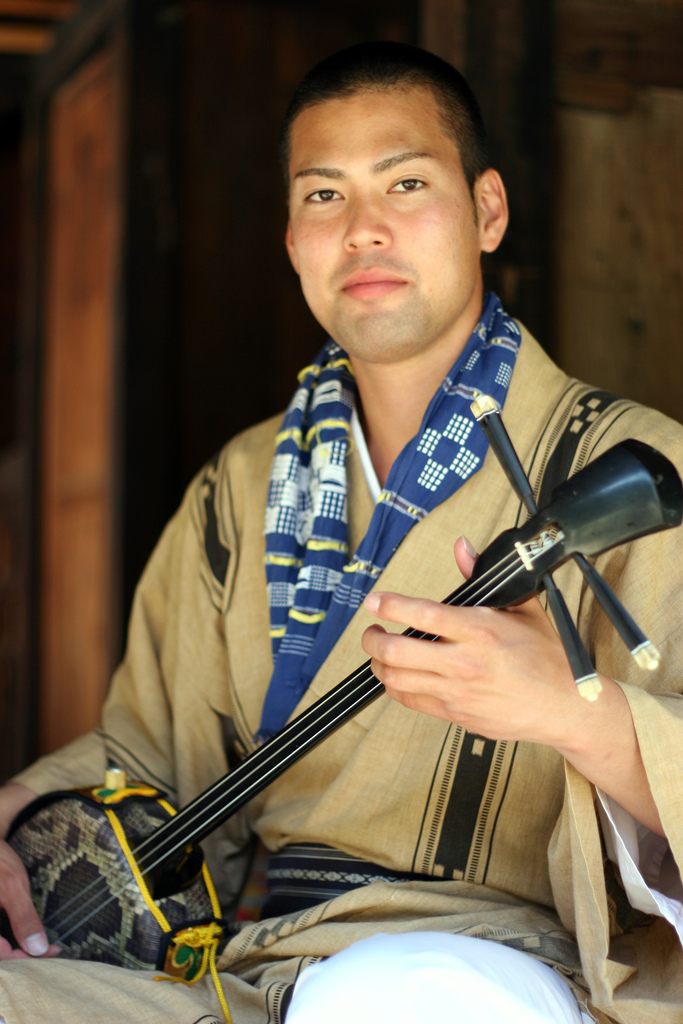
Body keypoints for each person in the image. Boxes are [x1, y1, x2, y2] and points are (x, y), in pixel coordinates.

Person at [0, 41, 682, 1024]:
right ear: (288, 236)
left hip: (496, 965)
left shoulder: (626, 468)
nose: (363, 230)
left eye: (405, 182)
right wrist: (20, 808)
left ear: (486, 210)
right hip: (250, 965)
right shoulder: (237, 487)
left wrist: (576, 713)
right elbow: (149, 759)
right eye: (323, 197)